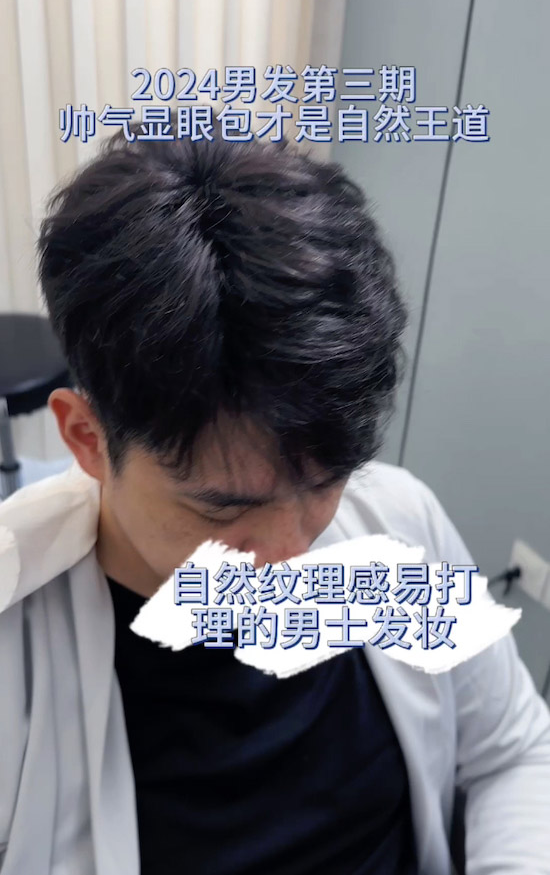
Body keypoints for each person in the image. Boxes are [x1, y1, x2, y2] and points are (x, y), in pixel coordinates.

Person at [0, 122, 549, 875]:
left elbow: (512, 751)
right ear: (87, 438)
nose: (293, 557)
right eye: (223, 509)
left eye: (323, 483)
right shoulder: (17, 637)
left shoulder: (398, 522)